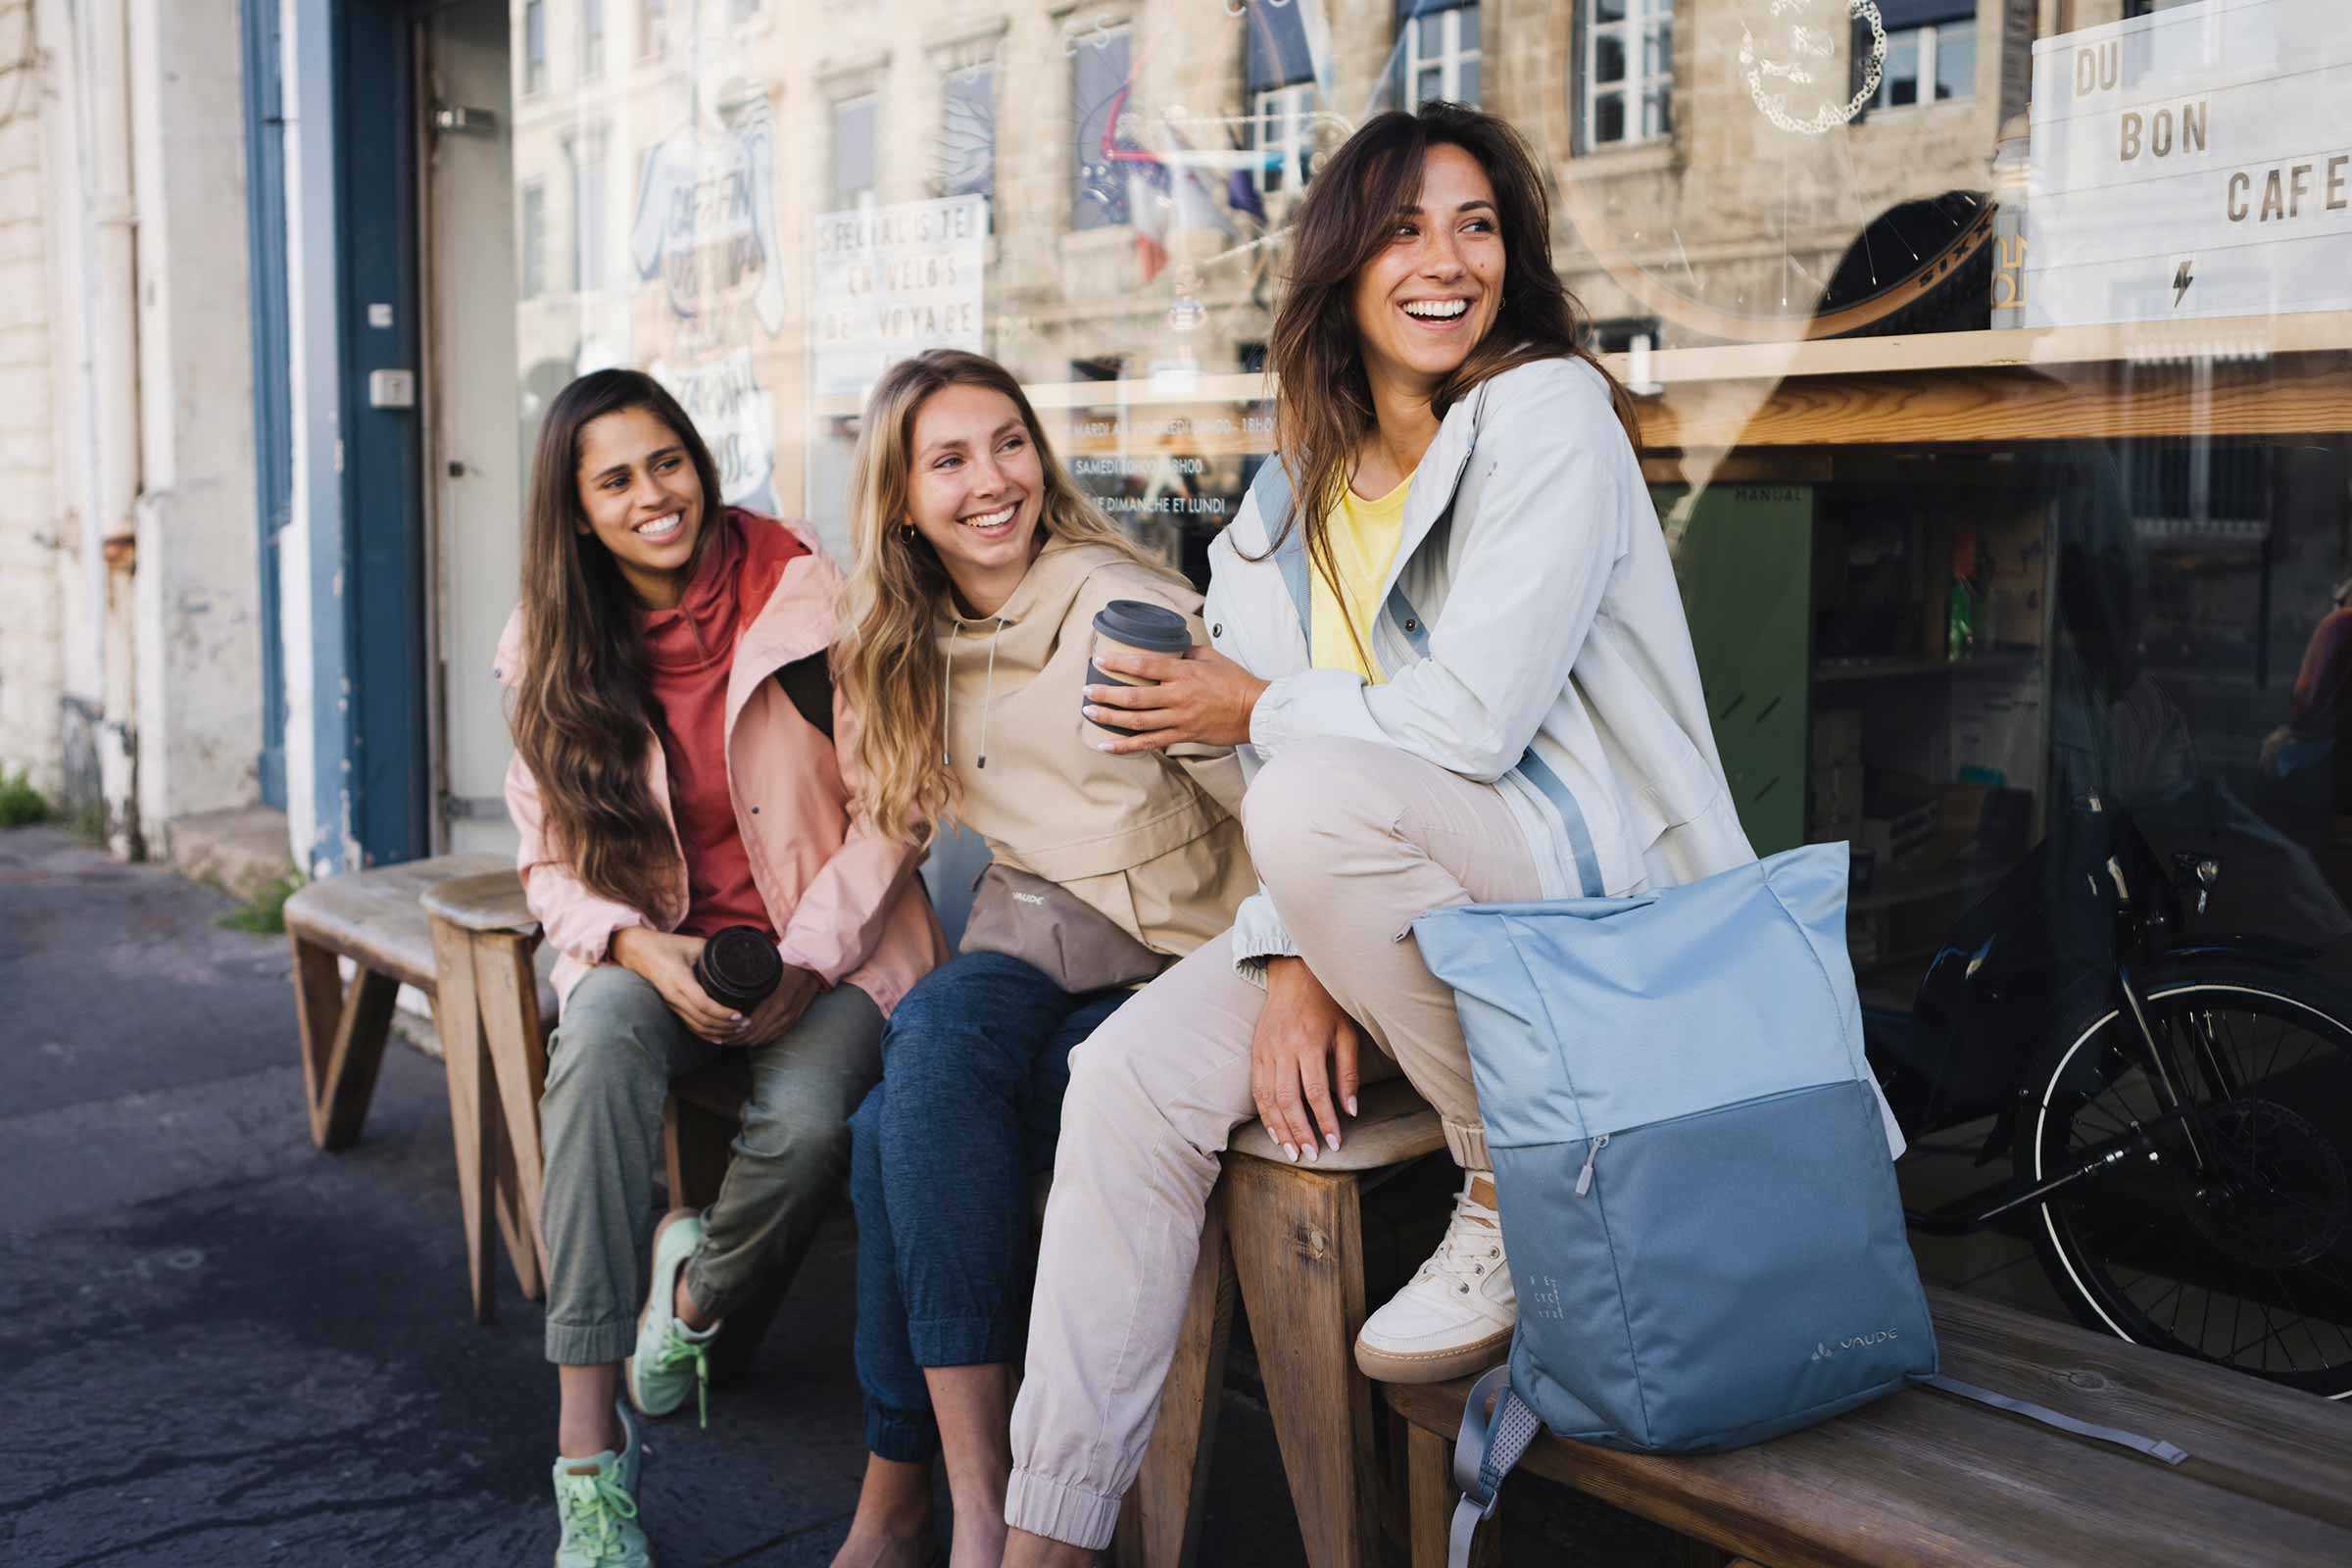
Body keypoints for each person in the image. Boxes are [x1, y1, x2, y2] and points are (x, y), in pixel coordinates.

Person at [1000, 102, 1764, 1561]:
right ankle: (1046, 1535)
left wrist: (1254, 709)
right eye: (1406, 226)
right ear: (1342, 268)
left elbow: (1469, 726)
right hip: (1378, 894)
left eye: (1478, 224)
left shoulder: (1548, 416)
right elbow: (1283, 787)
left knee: (1301, 785)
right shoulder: (1276, 516)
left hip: (1578, 893)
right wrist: (1295, 949)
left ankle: (1515, 1185)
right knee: (1123, 1081)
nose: (1448, 258)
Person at [498, 368, 946, 1568]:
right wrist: (637, 946)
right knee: (590, 1046)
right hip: (658, 957)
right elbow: (545, 866)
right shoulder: (549, 645)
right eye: (615, 480)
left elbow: (901, 801)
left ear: (700, 460)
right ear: (576, 511)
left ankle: (693, 1297)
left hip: (832, 954)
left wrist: (803, 959)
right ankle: (589, 1456)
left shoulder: (810, 596)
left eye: (668, 462)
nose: (654, 495)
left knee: (808, 1129)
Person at [825, 351, 1253, 1568]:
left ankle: (907, 1500)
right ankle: (977, 1500)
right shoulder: (916, 637)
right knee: (931, 1052)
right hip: (1043, 936)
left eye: (1009, 442)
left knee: (886, 1134)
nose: (993, 480)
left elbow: (1270, 797)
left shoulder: (1121, 608)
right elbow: (888, 826)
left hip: (1179, 957)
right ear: (902, 499)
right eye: (949, 459)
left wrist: (1303, 981)